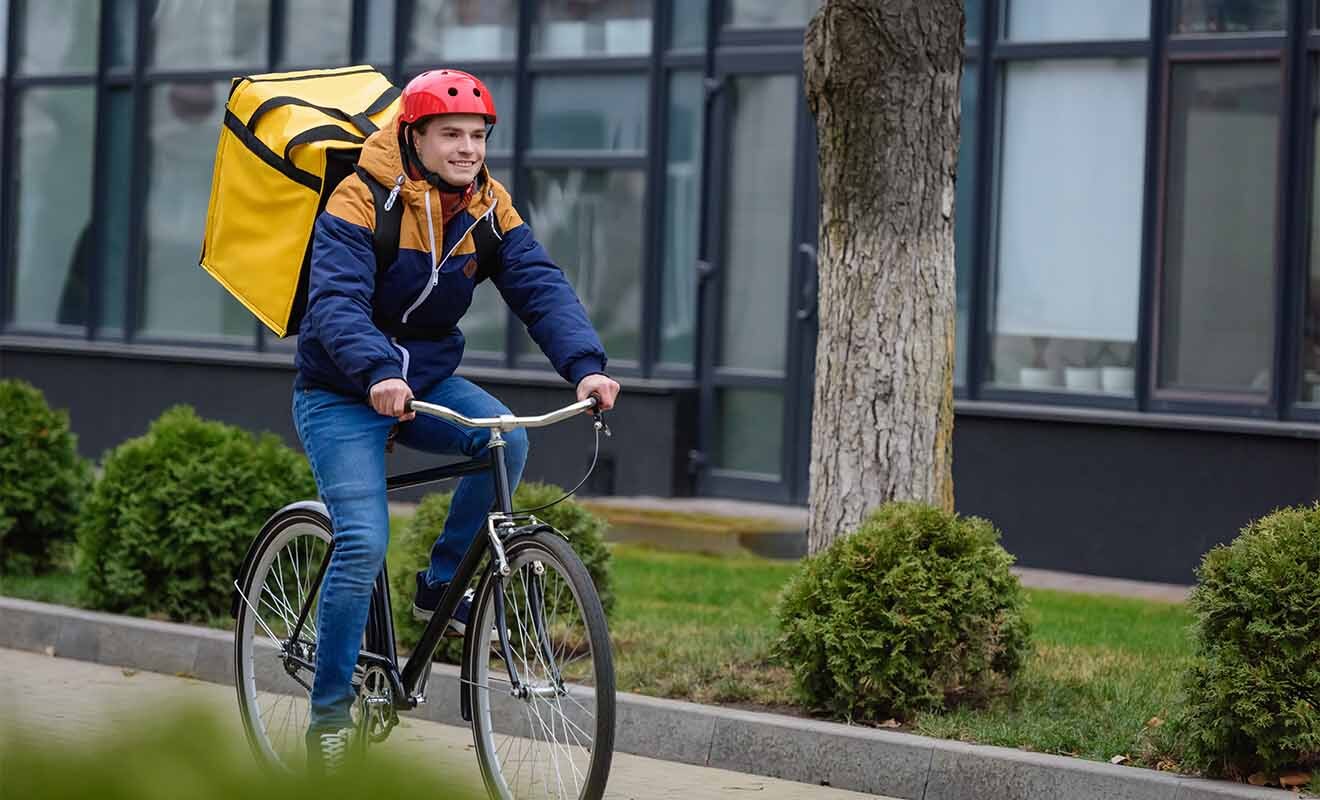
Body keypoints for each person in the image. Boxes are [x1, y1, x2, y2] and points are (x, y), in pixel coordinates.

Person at [291, 68, 621, 772]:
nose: (468, 148)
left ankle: (443, 584)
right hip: (342, 392)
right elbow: (336, 303)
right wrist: (376, 371)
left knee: (503, 439)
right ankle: (326, 721)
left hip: (428, 382)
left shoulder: (486, 206)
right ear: (414, 137)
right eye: (451, 134)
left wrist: (586, 366)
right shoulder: (360, 199)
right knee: (360, 544)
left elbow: (538, 285)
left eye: (477, 135)